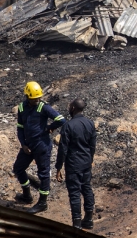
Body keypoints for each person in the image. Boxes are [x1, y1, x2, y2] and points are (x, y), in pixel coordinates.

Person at [12, 81, 65, 213]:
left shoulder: (43, 107)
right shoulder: (22, 108)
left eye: (39, 97)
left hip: (42, 145)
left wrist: (49, 128)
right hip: (28, 146)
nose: (38, 99)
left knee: (44, 174)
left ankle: (42, 203)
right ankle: (27, 195)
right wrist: (23, 145)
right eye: (35, 98)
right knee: (18, 168)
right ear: (27, 96)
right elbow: (20, 128)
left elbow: (61, 119)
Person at [55, 98, 96, 229]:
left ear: (73, 108)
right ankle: (88, 220)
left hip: (73, 164)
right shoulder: (90, 123)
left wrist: (58, 167)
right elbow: (92, 146)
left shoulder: (68, 125)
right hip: (86, 162)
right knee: (87, 189)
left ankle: (76, 223)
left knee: (74, 193)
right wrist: (90, 159)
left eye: (70, 105)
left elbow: (63, 148)